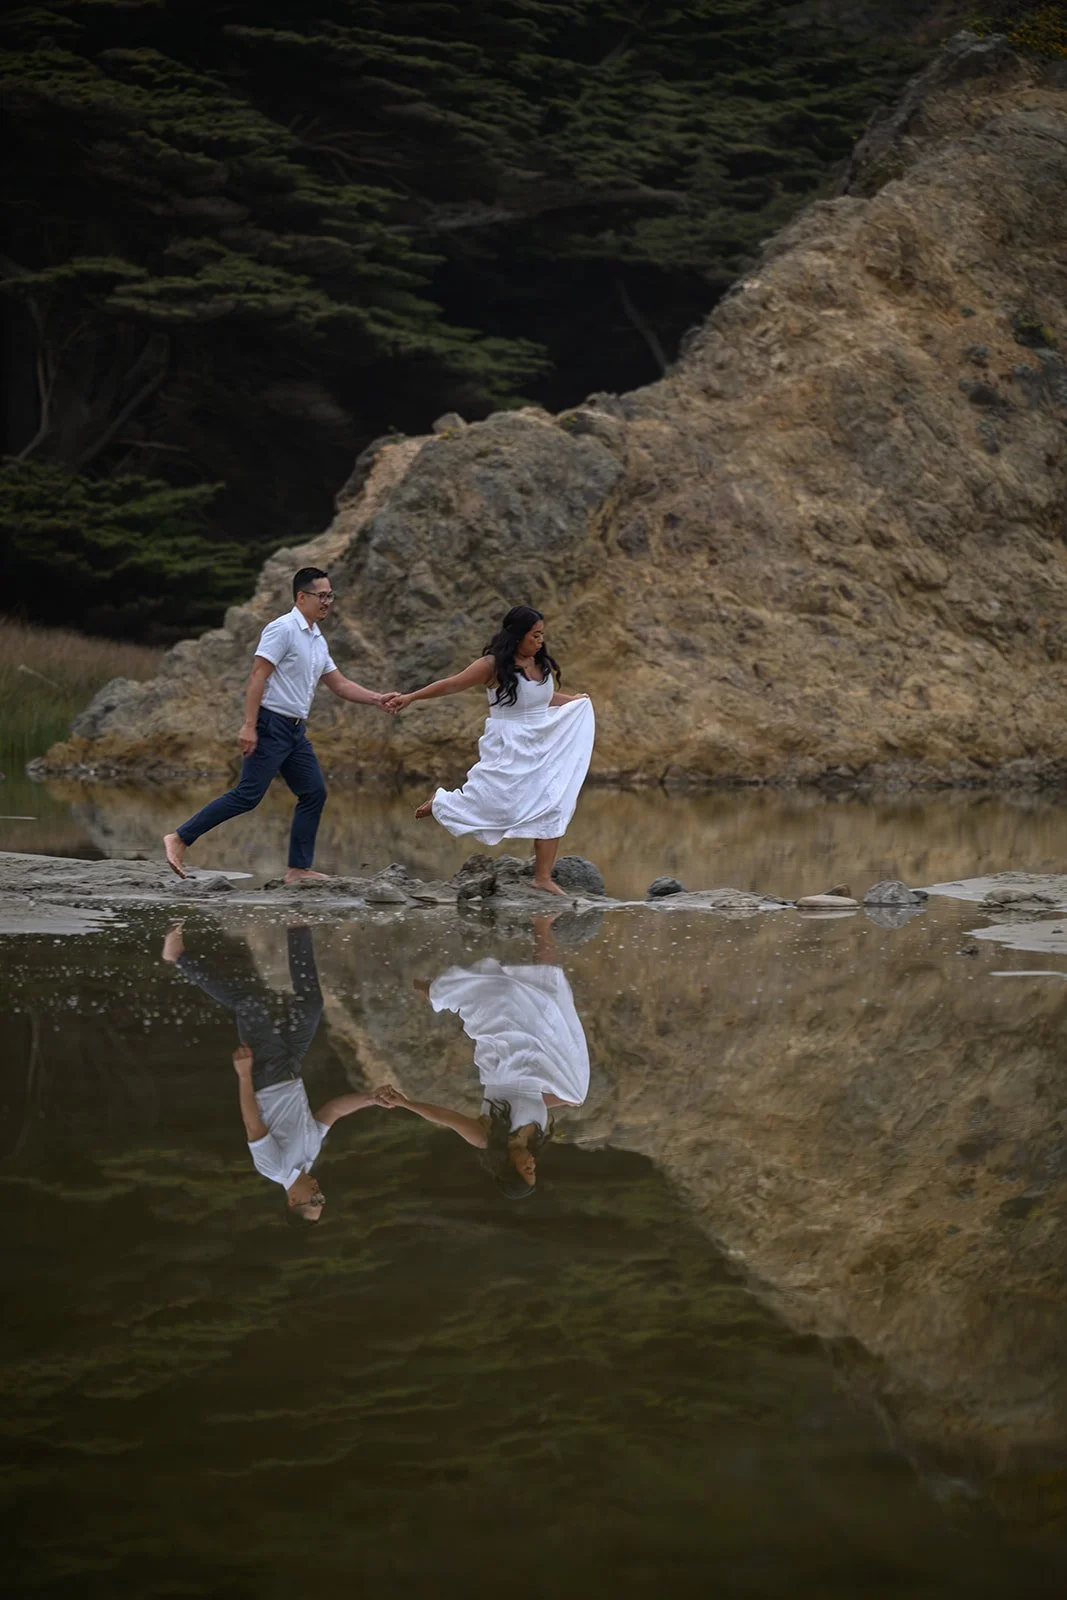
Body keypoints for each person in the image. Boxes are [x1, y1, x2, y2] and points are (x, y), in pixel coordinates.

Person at [163, 567, 395, 882]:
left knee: (314, 792)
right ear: (301, 597)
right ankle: (179, 838)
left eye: (330, 595)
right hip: (270, 724)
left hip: (295, 731)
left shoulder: (317, 638)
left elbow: (339, 684)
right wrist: (249, 725)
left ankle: (298, 869)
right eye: (321, 596)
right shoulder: (282, 629)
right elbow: (257, 675)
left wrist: (377, 699)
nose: (327, 602)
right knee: (248, 795)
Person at [162, 921, 374, 1222]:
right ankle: (297, 928)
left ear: (293, 1200)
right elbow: (334, 1111)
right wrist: (372, 1099)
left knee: (249, 1003)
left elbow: (252, 1124)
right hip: (290, 1065)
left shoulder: (274, 1168)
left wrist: (244, 1075)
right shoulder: (309, 1157)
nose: (319, 1192)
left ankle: (179, 957)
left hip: (266, 1074)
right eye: (322, 1198)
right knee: (311, 1004)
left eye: (313, 1200)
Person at [372, 916, 590, 1199]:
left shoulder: (485, 1138)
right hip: (536, 1064)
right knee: (548, 993)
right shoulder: (534, 1138)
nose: (532, 1164)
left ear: (509, 1168)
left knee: (505, 994)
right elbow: (534, 1100)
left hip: (504, 1060)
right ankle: (543, 921)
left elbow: (446, 1117)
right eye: (534, 1170)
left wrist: (406, 1103)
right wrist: (566, 1098)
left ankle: (431, 990)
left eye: (527, 1170)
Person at [383, 605, 594, 895]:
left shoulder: (540, 663)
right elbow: (452, 684)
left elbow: (541, 698)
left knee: (553, 802)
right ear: (517, 635)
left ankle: (542, 877)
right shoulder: (492, 665)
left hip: (542, 740)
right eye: (534, 635)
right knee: (500, 801)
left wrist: (573, 700)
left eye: (542, 634)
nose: (540, 640)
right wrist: (411, 697)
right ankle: (443, 803)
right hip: (509, 741)